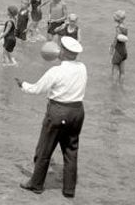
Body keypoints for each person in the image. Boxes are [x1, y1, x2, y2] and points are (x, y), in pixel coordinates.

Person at [16, 36, 87, 199]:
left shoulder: (56, 71)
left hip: (58, 111)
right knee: (71, 150)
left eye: (60, 48)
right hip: (77, 112)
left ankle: (36, 184)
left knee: (45, 148)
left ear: (64, 52)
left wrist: (23, 85)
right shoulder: (82, 68)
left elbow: (36, 89)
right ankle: (69, 189)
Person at [110, 10, 128, 84]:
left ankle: (113, 89)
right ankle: (121, 86)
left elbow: (116, 39)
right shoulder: (125, 27)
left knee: (114, 70)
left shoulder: (118, 28)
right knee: (122, 72)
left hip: (117, 50)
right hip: (124, 50)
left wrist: (111, 47)